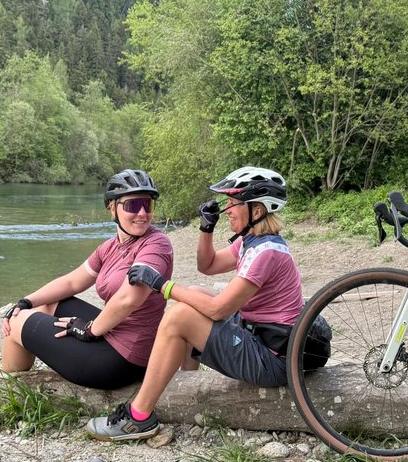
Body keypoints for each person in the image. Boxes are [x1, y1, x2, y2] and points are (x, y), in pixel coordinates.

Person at [85, 166, 304, 440]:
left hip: (273, 360)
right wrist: (206, 229)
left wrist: (161, 285)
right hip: (263, 337)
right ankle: (188, 382)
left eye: (233, 204)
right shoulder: (254, 242)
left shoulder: (266, 253)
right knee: (197, 292)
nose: (228, 210)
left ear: (256, 212)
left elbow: (218, 309)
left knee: (179, 316)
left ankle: (137, 418)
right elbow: (208, 265)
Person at [1, 169, 173, 390]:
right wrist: (25, 301)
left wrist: (90, 329)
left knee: (16, 321)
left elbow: (129, 299)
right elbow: (73, 282)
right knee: (47, 303)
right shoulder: (110, 247)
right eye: (132, 205)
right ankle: (19, 382)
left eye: (147, 205)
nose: (142, 213)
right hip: (114, 333)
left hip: (125, 360)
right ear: (112, 208)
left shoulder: (156, 244)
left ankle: (9, 392)